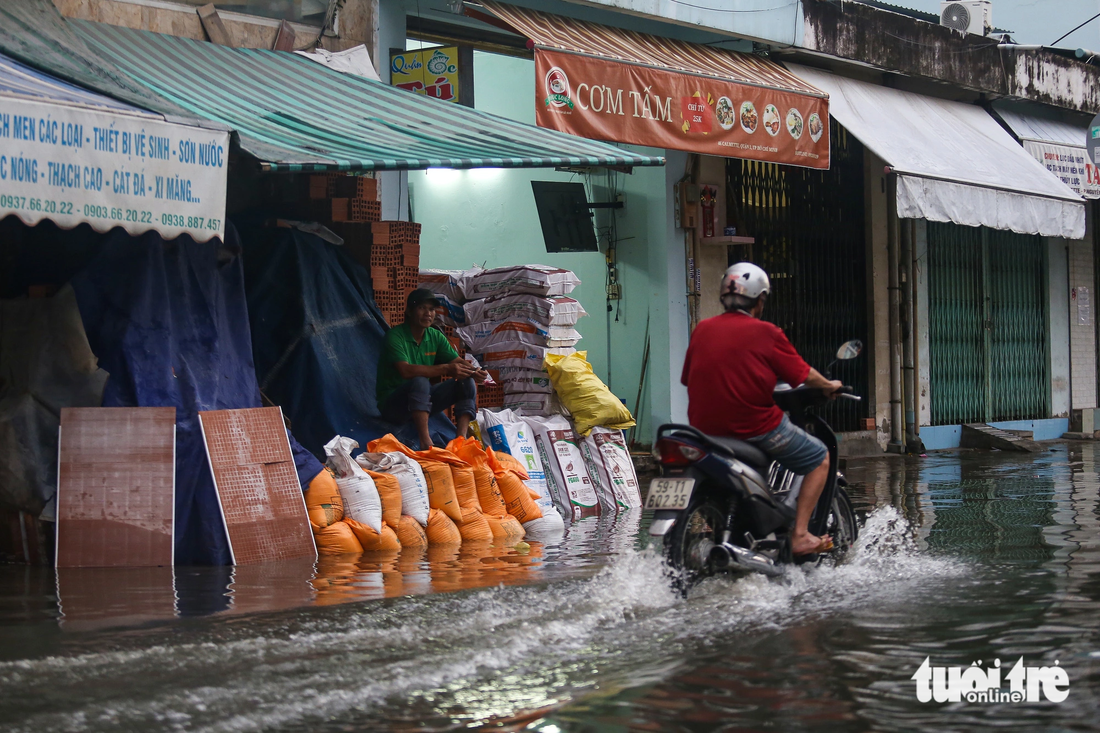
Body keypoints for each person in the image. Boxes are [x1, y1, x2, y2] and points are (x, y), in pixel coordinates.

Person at [680, 262, 842, 556]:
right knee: (820, 458)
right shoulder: (767, 333)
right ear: (760, 299)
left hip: (703, 430)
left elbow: (687, 378)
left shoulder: (702, 329)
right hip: (753, 428)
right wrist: (829, 385)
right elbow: (803, 374)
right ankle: (801, 535)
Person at [376, 289, 487, 450]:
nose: (428, 313)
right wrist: (446, 368)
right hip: (393, 406)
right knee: (420, 382)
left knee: (466, 381)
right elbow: (406, 371)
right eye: (422, 308)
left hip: (420, 401)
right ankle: (426, 442)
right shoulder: (395, 336)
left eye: (432, 309)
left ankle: (460, 441)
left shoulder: (434, 336)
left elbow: (457, 361)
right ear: (409, 311)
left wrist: (474, 371)